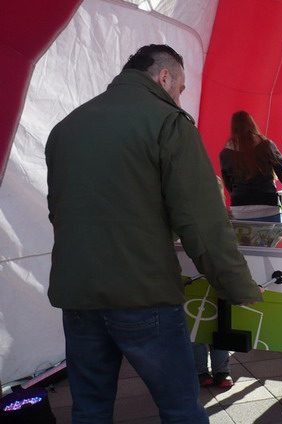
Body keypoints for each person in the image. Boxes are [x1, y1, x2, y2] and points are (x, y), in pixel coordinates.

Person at [45, 44, 263, 423]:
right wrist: (237, 285)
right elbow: (202, 222)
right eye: (180, 88)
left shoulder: (67, 127)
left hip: (78, 293)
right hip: (143, 293)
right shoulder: (169, 123)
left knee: (89, 408)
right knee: (180, 407)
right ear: (164, 77)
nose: (180, 98)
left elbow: (59, 210)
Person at [219, 110, 282, 222]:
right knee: (275, 233)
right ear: (251, 124)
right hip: (268, 205)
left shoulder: (225, 153)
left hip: (239, 209)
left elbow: (228, 184)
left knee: (243, 234)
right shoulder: (266, 145)